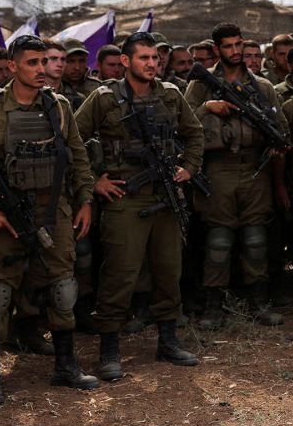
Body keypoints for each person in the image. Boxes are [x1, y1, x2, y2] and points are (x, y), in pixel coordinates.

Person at [0, 34, 99, 406]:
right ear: (12, 67)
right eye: (32, 63)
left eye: (44, 62)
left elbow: (78, 159)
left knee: (63, 288)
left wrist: (85, 201)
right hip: (6, 215)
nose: (42, 70)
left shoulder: (59, 107)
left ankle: (65, 366)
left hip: (54, 213)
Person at [74, 32, 204, 379]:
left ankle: (168, 340)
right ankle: (110, 349)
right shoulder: (104, 98)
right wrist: (94, 180)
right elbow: (71, 139)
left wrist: (188, 168)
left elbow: (194, 134)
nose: (151, 63)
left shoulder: (172, 95)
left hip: (165, 198)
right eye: (143, 58)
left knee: (168, 270)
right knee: (120, 274)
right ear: (127, 62)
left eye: (155, 58)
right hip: (125, 200)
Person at [184, 22, 288, 328]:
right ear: (217, 49)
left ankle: (258, 302)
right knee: (219, 239)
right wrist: (208, 107)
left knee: (256, 238)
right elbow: (183, 122)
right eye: (228, 46)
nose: (235, 51)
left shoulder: (262, 87)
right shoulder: (200, 85)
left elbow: (280, 126)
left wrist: (276, 146)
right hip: (217, 168)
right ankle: (213, 307)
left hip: (254, 168)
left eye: (238, 44)